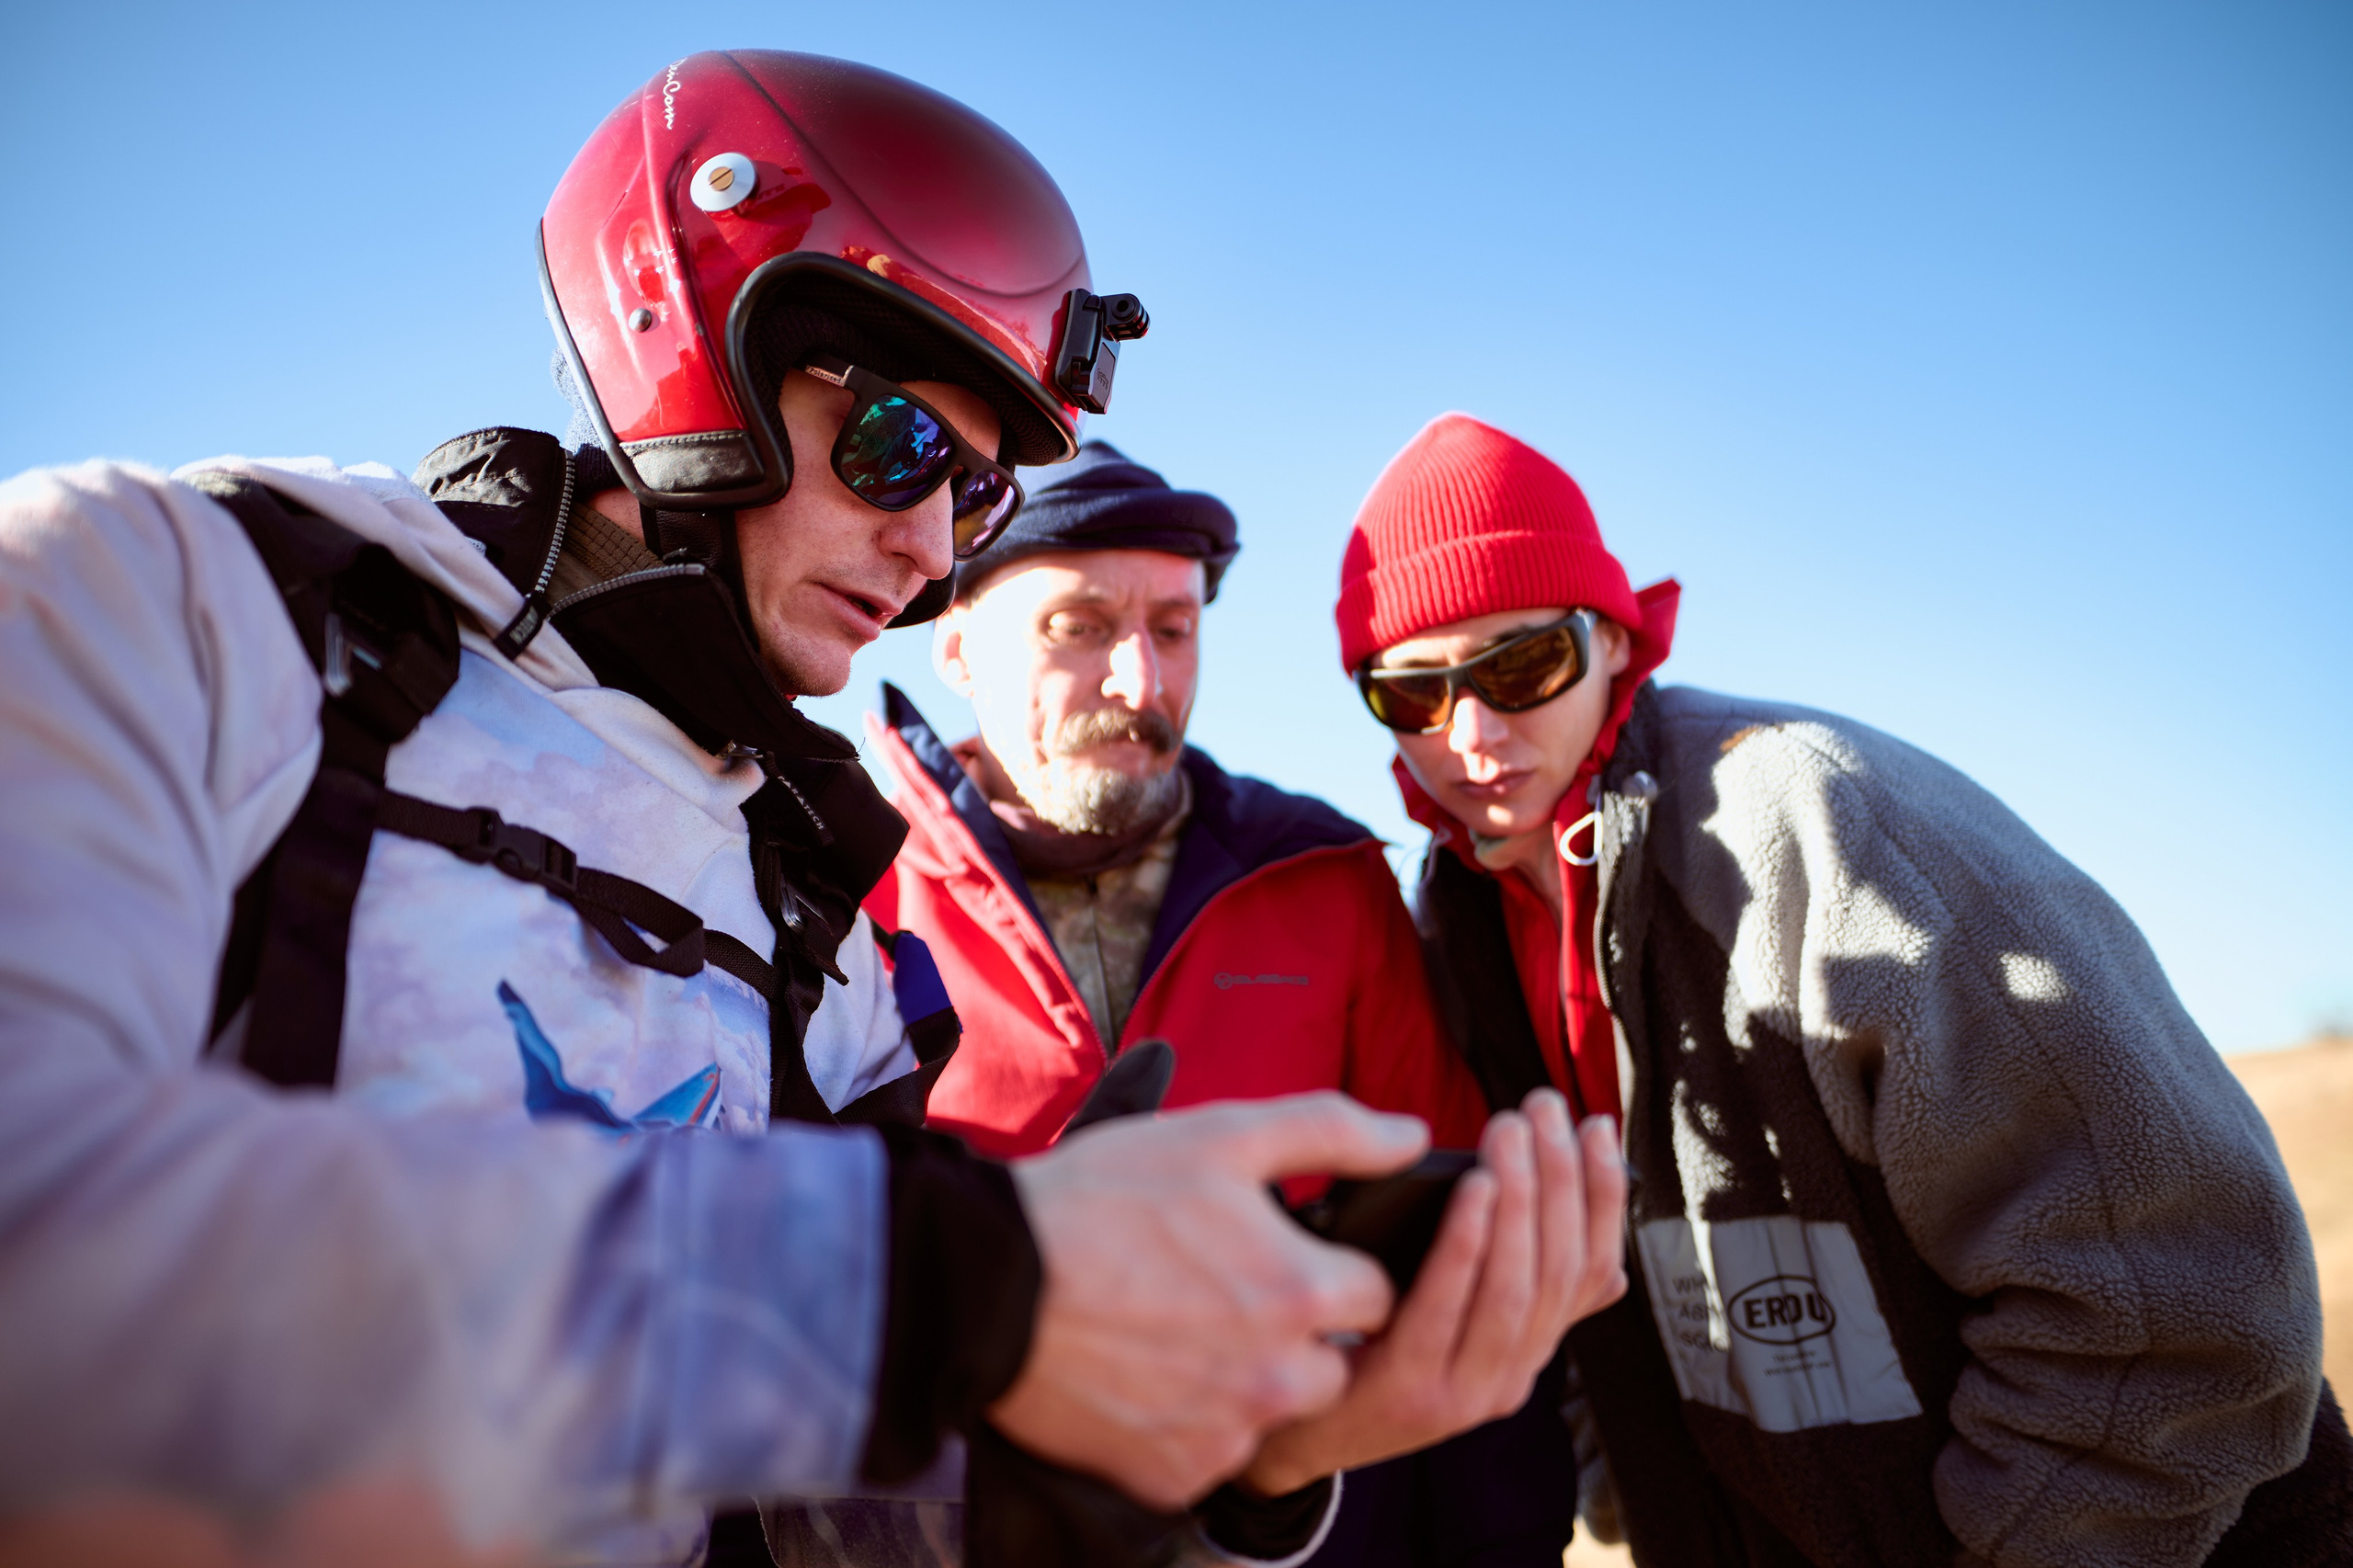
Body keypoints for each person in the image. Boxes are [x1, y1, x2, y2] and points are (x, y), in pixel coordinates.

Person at [0, 54, 1564, 1568]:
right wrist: (927, 1285)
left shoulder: (811, 919)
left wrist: (1243, 1441)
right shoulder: (173, 611)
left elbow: (867, 1522)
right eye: (898, 450)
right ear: (694, 347)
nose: (928, 550)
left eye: (978, 499)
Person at [1333, 412, 2353, 1567]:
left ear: (1614, 638)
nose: (1469, 732)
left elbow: (2182, 1295)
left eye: (1521, 663)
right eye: (1410, 692)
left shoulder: (1819, 824)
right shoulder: (1452, 926)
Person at [858, 442, 1627, 1562]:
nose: (1141, 680)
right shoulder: (842, 892)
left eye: (1173, 628)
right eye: (1078, 624)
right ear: (960, 641)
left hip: (1309, 1531)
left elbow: (1452, 1254)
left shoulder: (1321, 873)